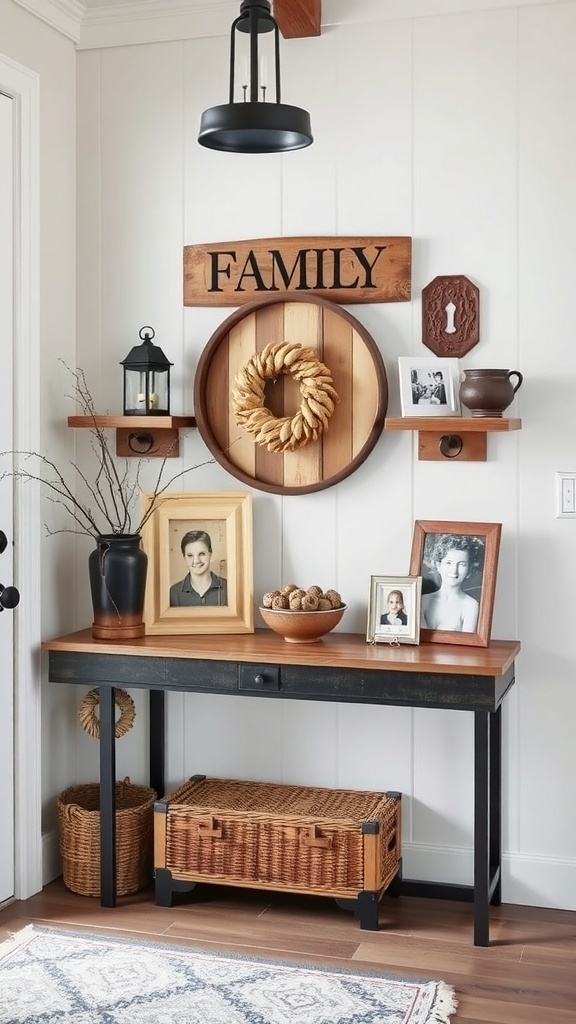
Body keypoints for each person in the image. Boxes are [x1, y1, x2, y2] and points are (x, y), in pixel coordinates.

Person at [420, 534, 484, 632]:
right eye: (449, 563)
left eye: (462, 564)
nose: (454, 571)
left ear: (469, 570)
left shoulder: (470, 605)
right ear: (439, 565)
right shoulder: (423, 600)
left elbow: (468, 644)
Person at [169, 529, 228, 607]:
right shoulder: (174, 593)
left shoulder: (228, 587)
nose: (196, 561)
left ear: (210, 554)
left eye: (202, 554)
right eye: (190, 555)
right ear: (184, 557)